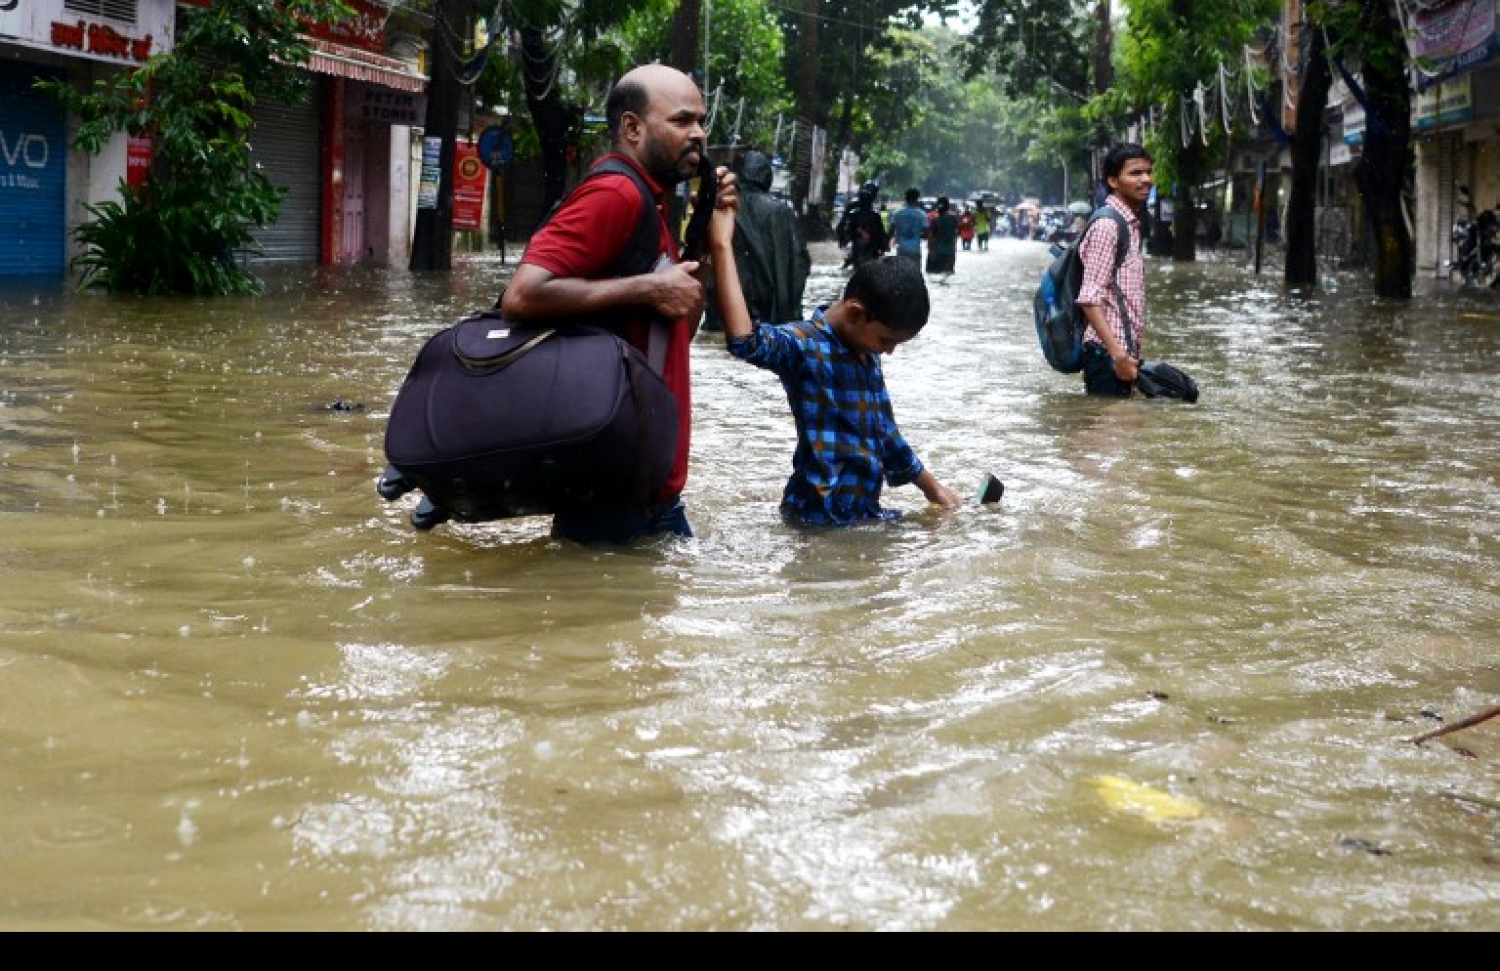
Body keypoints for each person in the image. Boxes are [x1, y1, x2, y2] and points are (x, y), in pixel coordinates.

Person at [500, 64, 737, 543]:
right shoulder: (615, 194)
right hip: (613, 488)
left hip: (645, 485)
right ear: (632, 128)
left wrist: (710, 240)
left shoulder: (652, 203)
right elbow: (521, 295)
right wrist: (649, 288)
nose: (699, 133)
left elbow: (679, 328)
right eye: (682, 121)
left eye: (701, 121)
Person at [707, 199, 963, 525]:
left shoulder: (866, 354)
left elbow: (885, 434)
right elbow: (745, 341)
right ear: (855, 313)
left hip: (861, 513)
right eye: (887, 341)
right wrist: (721, 244)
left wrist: (933, 489)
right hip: (815, 518)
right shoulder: (803, 345)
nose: (888, 352)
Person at [1076, 142, 1154, 397]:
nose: (1146, 179)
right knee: (1108, 434)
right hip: (1107, 355)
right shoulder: (1108, 225)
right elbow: (1089, 298)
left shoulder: (1129, 224)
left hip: (1121, 354)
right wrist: (1117, 354)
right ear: (1113, 180)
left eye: (1148, 172)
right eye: (1135, 173)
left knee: (1119, 430)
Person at [702, 150, 810, 331]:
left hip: (723, 307)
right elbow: (799, 263)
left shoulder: (722, 207)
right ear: (766, 177)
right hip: (769, 313)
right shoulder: (780, 211)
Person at [836, 182, 890, 269]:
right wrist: (884, 247)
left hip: (862, 245)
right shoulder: (873, 214)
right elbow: (880, 233)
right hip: (867, 246)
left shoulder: (856, 213)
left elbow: (846, 227)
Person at [890, 187, 928, 268]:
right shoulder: (921, 214)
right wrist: (917, 234)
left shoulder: (897, 213)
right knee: (915, 275)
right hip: (915, 250)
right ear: (917, 199)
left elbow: (891, 232)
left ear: (905, 198)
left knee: (901, 275)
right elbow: (926, 234)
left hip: (901, 249)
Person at [925, 196, 959, 277]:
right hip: (950, 252)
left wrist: (931, 252)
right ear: (948, 206)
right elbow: (955, 234)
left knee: (934, 275)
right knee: (947, 274)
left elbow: (931, 238)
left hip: (937, 253)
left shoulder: (935, 221)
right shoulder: (954, 219)